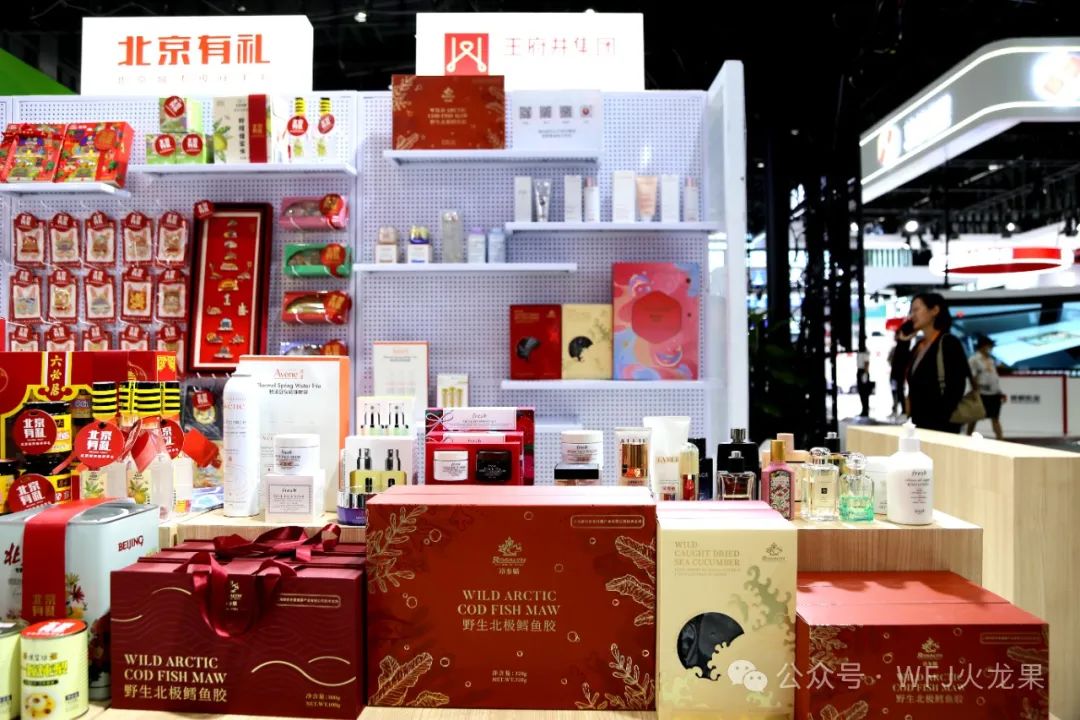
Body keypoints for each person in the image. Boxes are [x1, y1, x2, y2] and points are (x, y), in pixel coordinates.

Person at [905, 292, 970, 433]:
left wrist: (941, 417)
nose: (912, 315)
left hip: (942, 426)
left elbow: (957, 386)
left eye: (916, 309)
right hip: (919, 424)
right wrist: (902, 342)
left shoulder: (948, 343)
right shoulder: (918, 346)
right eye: (911, 311)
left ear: (934, 310)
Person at [967, 335, 1006, 439]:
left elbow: (993, 377)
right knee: (974, 418)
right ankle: (967, 438)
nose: (991, 348)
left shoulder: (990, 360)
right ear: (983, 346)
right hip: (981, 394)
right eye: (989, 346)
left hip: (994, 394)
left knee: (995, 418)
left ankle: (1000, 440)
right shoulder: (974, 359)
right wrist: (975, 392)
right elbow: (972, 377)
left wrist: (999, 392)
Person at [889, 321, 915, 418]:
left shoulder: (904, 344)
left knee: (899, 391)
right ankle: (897, 410)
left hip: (899, 372)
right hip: (896, 372)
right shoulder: (900, 345)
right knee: (896, 391)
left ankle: (903, 411)